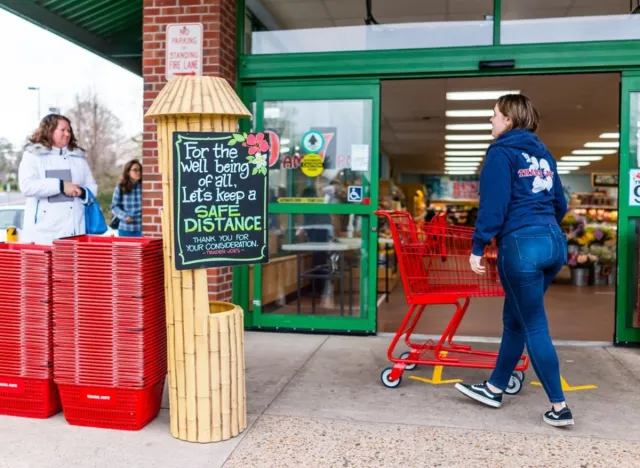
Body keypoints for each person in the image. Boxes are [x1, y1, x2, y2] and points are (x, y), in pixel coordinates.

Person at [454, 94, 574, 427]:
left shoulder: (500, 153)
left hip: (521, 246)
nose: (490, 121)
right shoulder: (543, 154)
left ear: (508, 119)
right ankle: (494, 386)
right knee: (517, 319)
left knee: (534, 323)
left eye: (493, 116)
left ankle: (559, 406)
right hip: (553, 243)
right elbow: (559, 203)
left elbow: (494, 205)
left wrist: (478, 245)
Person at [18, 114, 97, 245]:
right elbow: (27, 186)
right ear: (49, 130)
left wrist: (82, 192)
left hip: (75, 231)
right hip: (43, 234)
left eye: (69, 130)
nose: (67, 134)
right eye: (63, 130)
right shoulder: (33, 156)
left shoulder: (78, 158)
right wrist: (60, 185)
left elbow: (92, 186)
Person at [111, 159, 143, 237]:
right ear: (128, 172)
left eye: (140, 170)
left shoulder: (145, 186)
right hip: (125, 228)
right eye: (135, 170)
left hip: (142, 228)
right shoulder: (120, 187)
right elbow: (114, 206)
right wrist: (125, 216)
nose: (139, 172)